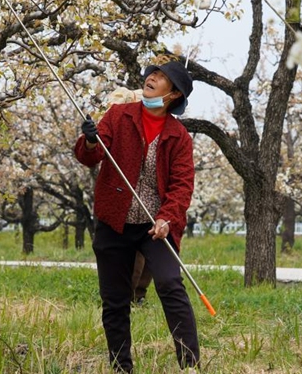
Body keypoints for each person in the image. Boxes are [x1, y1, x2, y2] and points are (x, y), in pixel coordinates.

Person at [74, 60, 199, 373]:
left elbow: (182, 186)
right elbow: (91, 156)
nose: (152, 78)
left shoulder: (179, 136)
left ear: (173, 94)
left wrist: (167, 218)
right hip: (114, 222)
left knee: (171, 284)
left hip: (155, 226)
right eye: (152, 73)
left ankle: (190, 364)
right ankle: (121, 367)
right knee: (115, 300)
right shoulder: (119, 116)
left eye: (162, 77)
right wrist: (90, 139)